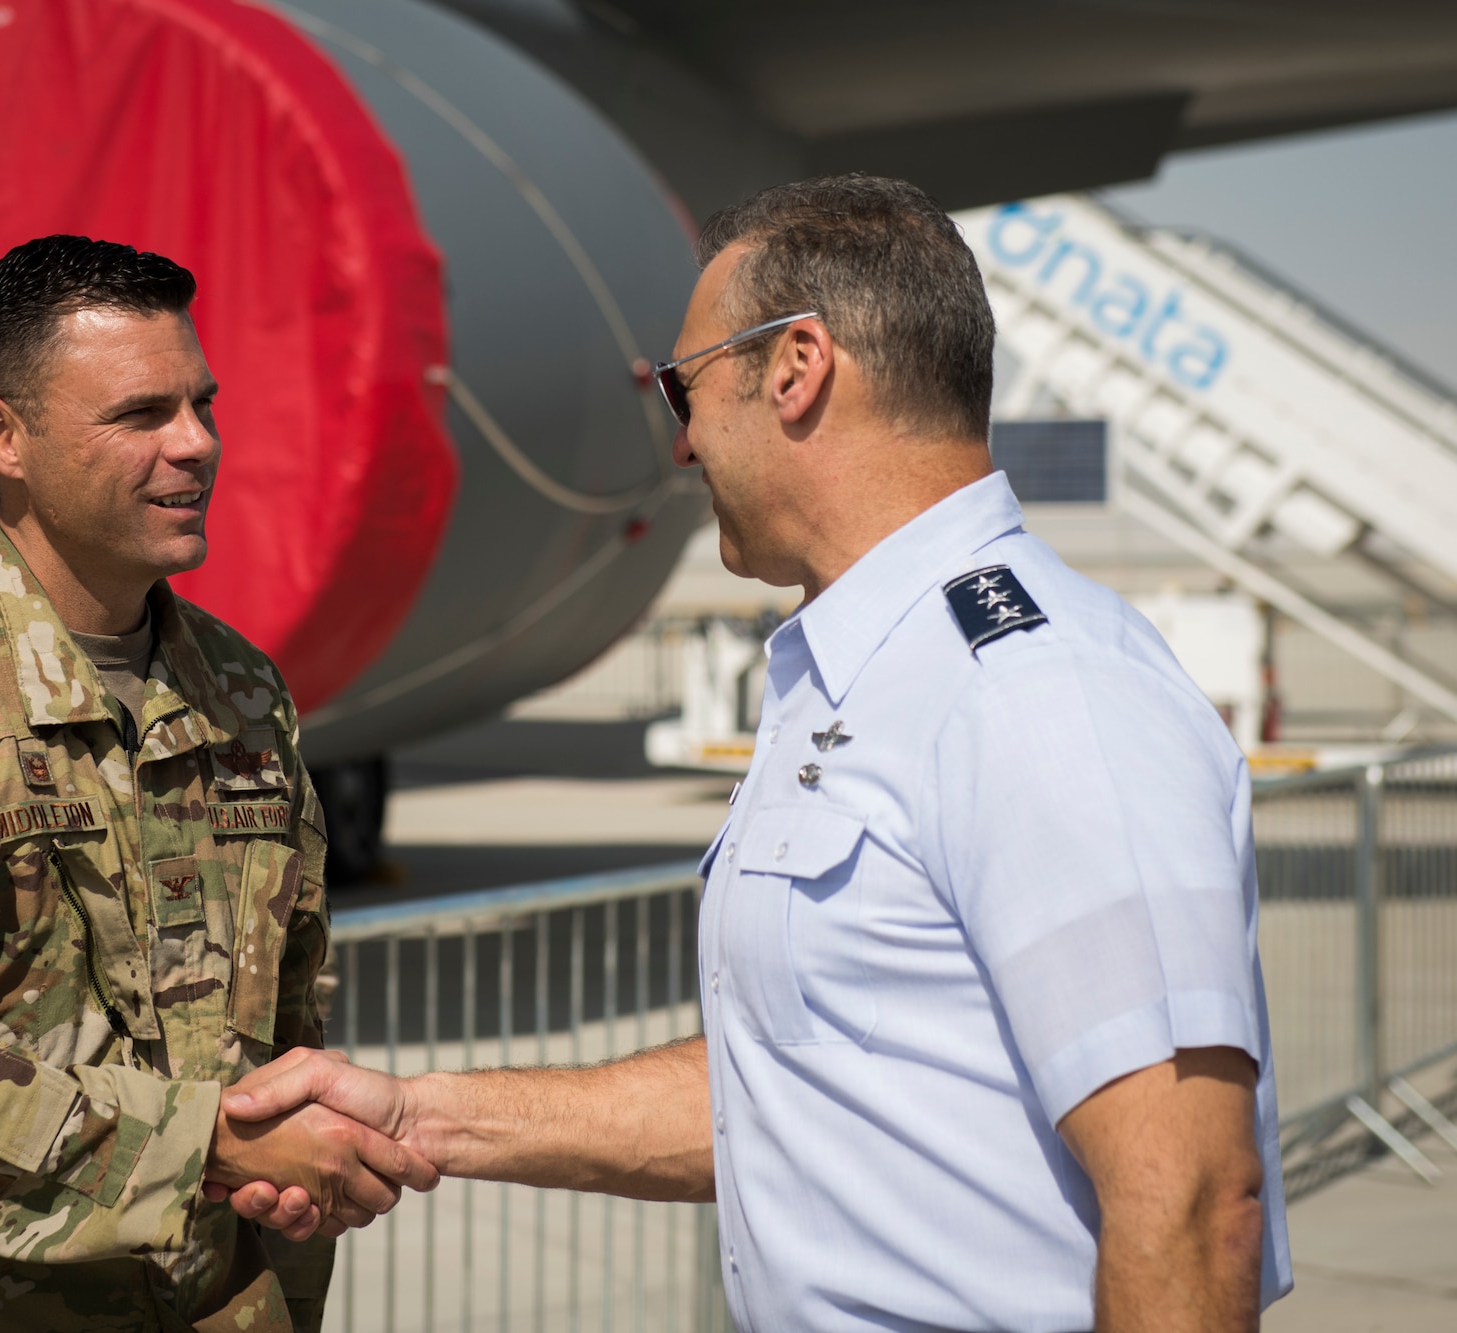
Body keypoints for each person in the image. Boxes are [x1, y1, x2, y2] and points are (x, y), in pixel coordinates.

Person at [214, 175, 1292, 1332]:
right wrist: (416, 1117)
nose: (679, 444)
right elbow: (797, 1091)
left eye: (681, 387)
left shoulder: (1034, 694)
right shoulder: (873, 676)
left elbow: (1187, 1197)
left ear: (795, 369)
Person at [0, 236, 434, 1333]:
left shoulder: (240, 693)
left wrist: (293, 1162)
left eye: (201, 404)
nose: (195, 444)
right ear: (0, 434)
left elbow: (287, 1014)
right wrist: (203, 1146)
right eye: (140, 415)